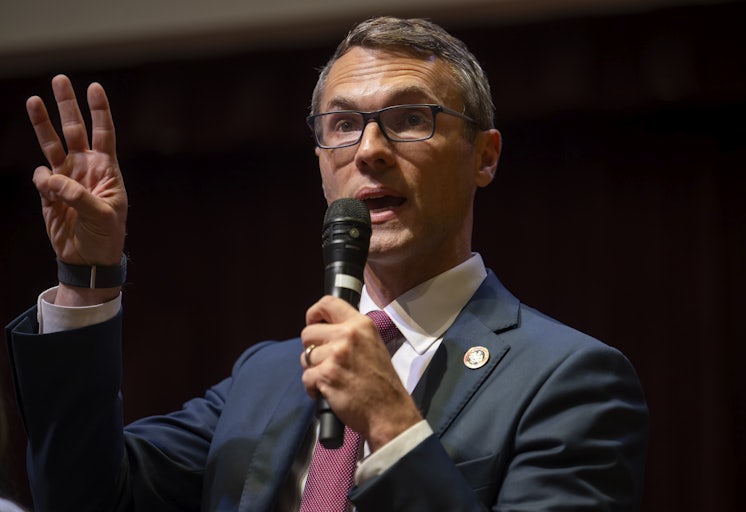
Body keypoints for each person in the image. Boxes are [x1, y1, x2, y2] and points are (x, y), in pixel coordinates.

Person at [4, 16, 648, 512]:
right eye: (342, 125)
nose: (368, 150)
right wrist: (87, 280)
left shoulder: (571, 382)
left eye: (409, 119)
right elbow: (83, 497)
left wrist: (394, 427)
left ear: (485, 156)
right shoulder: (266, 377)